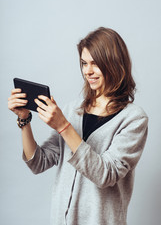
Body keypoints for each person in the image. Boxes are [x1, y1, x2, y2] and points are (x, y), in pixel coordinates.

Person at [8, 27, 148, 225]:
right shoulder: (73, 110)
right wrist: (24, 120)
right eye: (84, 63)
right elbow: (38, 163)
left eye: (95, 63)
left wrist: (64, 127)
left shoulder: (134, 119)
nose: (88, 71)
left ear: (115, 64)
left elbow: (105, 175)